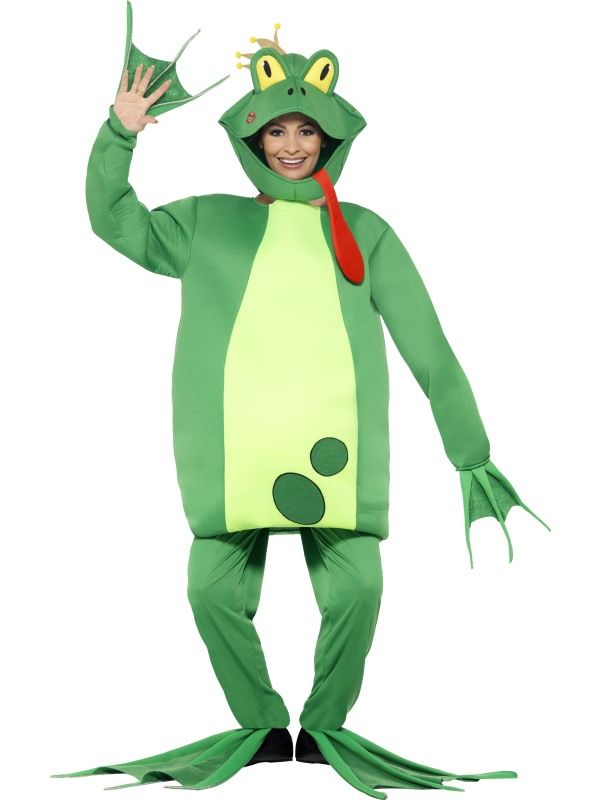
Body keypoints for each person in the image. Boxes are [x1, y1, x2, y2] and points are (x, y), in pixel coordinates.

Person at [52, 24, 548, 797]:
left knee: (358, 591)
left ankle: (323, 728)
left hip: (334, 451)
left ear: (329, 139)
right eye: (277, 131)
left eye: (306, 131)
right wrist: (121, 132)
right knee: (210, 591)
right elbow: (115, 219)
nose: (291, 146)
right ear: (253, 139)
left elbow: (427, 343)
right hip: (235, 454)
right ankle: (259, 725)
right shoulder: (205, 222)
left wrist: (471, 453)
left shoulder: (367, 233)